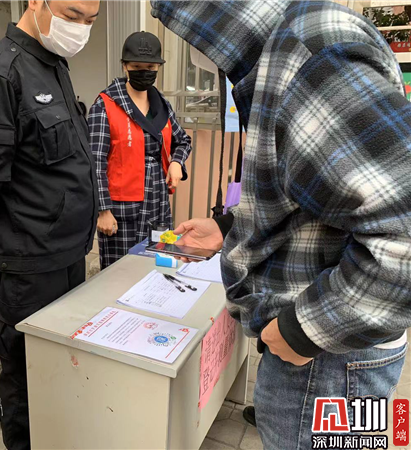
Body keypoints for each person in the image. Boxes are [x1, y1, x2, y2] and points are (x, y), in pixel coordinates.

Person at [152, 1, 411, 448]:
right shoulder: (310, 35)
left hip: (328, 359)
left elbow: (403, 232)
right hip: (338, 351)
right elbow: (324, 196)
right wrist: (228, 227)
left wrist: (302, 330)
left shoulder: (308, 56)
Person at [0, 1, 100, 448]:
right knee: (29, 381)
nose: (80, 28)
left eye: (90, 21)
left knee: (62, 372)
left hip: (68, 255)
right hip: (29, 264)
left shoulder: (54, 65)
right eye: (72, 14)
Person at [89, 31, 192, 269]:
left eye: (150, 67)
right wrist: (102, 210)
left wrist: (176, 162)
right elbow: (94, 161)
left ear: (158, 68)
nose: (144, 72)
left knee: (157, 262)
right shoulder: (105, 105)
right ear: (125, 66)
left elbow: (183, 140)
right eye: (136, 66)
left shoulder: (162, 105)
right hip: (122, 206)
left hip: (157, 200)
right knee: (120, 270)